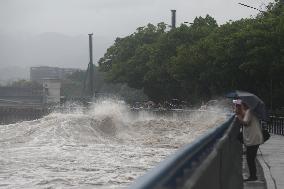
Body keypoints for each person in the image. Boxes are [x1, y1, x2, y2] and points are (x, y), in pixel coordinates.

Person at [234, 99, 263, 181]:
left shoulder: (249, 111)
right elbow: (245, 117)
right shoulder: (248, 111)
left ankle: (253, 176)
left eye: (241, 105)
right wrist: (238, 112)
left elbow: (246, 122)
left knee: (250, 158)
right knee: (250, 157)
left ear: (244, 105)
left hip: (254, 138)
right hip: (254, 138)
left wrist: (238, 116)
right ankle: (253, 176)